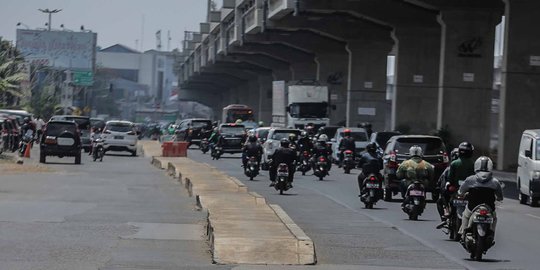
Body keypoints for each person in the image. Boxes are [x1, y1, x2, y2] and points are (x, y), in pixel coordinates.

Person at [458, 156, 503, 243]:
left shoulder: (470, 179)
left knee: (465, 216)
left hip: (472, 207)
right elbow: (500, 196)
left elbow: (461, 191)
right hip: (489, 208)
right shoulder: (495, 182)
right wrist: (498, 198)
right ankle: (491, 235)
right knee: (494, 218)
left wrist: (461, 194)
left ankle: (463, 233)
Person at [435, 148, 459, 222]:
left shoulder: (450, 168)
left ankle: (445, 215)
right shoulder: (470, 166)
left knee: (440, 200)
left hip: (454, 190)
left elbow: (441, 179)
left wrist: (438, 186)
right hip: (462, 190)